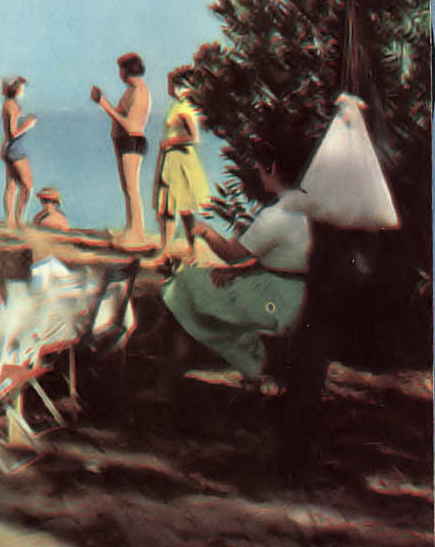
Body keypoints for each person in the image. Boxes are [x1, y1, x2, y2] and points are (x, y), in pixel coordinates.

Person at [153, 145, 310, 396]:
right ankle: (246, 367)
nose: (256, 169)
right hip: (295, 295)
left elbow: (232, 254)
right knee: (204, 289)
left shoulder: (276, 215)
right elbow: (285, 258)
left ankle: (166, 382)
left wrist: (205, 231)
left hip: (276, 302)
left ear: (274, 169)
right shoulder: (308, 207)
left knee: (181, 283)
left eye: (260, 165)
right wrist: (239, 272)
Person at [90, 52, 151, 250]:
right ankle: (131, 229)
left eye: (121, 70)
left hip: (132, 142)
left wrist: (104, 104)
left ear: (127, 70)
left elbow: (130, 124)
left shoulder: (139, 92)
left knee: (132, 189)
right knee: (127, 189)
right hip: (125, 142)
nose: (119, 74)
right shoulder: (131, 90)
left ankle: (137, 233)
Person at [151, 67, 211, 263]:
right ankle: (169, 248)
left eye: (172, 84)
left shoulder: (184, 107)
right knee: (171, 207)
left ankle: (189, 249)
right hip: (174, 158)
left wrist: (169, 142)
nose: (170, 88)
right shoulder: (180, 104)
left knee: (180, 208)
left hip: (179, 159)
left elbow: (194, 137)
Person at [0, 75, 38, 228]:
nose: (23, 91)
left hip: (10, 149)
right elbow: (12, 133)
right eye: (21, 88)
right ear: (15, 89)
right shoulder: (13, 106)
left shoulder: (8, 104)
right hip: (16, 150)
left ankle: (11, 222)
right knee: (28, 186)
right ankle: (19, 220)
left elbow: (9, 133)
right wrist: (28, 125)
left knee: (12, 186)